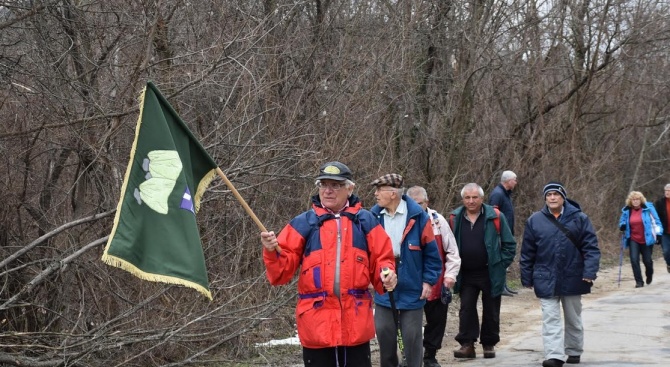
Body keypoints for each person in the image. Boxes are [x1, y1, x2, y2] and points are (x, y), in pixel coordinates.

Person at [261, 161, 398, 367]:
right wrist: (271, 250)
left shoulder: (366, 221)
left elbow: (383, 259)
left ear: (349, 188)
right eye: (323, 184)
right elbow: (280, 274)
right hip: (316, 326)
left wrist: (387, 274)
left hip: (355, 325)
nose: (328, 190)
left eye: (335, 185)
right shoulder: (302, 223)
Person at [520, 182, 601, 367]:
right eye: (549, 195)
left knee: (573, 317)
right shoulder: (535, 220)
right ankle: (554, 355)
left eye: (556, 194)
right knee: (550, 318)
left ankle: (573, 350)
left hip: (573, 275)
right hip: (544, 276)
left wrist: (590, 271)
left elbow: (591, 248)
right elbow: (527, 252)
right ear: (545, 198)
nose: (552, 198)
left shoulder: (579, 218)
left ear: (563, 197)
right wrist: (526, 276)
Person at [370, 174, 443, 367]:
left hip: (412, 287)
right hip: (384, 286)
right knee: (385, 336)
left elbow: (432, 255)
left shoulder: (419, 217)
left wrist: (428, 281)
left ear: (393, 193)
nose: (375, 194)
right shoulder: (372, 216)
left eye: (379, 190)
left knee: (411, 341)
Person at [450, 183, 516, 359]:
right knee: (466, 309)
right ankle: (467, 344)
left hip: (490, 272)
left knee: (492, 309)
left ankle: (489, 344)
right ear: (463, 199)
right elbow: (448, 246)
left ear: (482, 198)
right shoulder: (454, 218)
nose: (471, 201)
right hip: (466, 273)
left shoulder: (495, 216)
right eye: (467, 198)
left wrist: (500, 264)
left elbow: (510, 244)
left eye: (475, 197)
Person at [407, 186, 462, 367]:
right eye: (412, 204)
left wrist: (450, 276)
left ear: (427, 203)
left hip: (437, 282)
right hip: (410, 283)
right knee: (409, 324)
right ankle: (409, 356)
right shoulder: (401, 222)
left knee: (437, 321)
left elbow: (452, 251)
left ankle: (430, 355)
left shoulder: (438, 221)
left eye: (420, 204)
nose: (416, 207)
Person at [618, 191, 663, 288]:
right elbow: (622, 221)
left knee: (647, 261)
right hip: (633, 239)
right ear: (630, 201)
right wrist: (622, 225)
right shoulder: (627, 210)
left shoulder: (648, 208)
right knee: (634, 260)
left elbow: (657, 221)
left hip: (647, 239)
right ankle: (639, 282)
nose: (635, 201)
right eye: (633, 199)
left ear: (641, 200)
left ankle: (649, 273)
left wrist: (658, 234)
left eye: (637, 199)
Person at [489, 170, 519, 296]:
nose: (516, 182)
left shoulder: (506, 194)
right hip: (499, 234)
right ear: (508, 181)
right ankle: (500, 287)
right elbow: (493, 214)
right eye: (515, 180)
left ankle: (504, 286)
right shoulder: (497, 194)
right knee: (501, 260)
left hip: (506, 233)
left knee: (505, 260)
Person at [653, 183, 670, 273]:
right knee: (666, 251)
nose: (667, 192)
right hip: (665, 232)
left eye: (669, 191)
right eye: (666, 190)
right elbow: (656, 217)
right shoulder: (660, 203)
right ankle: (669, 264)